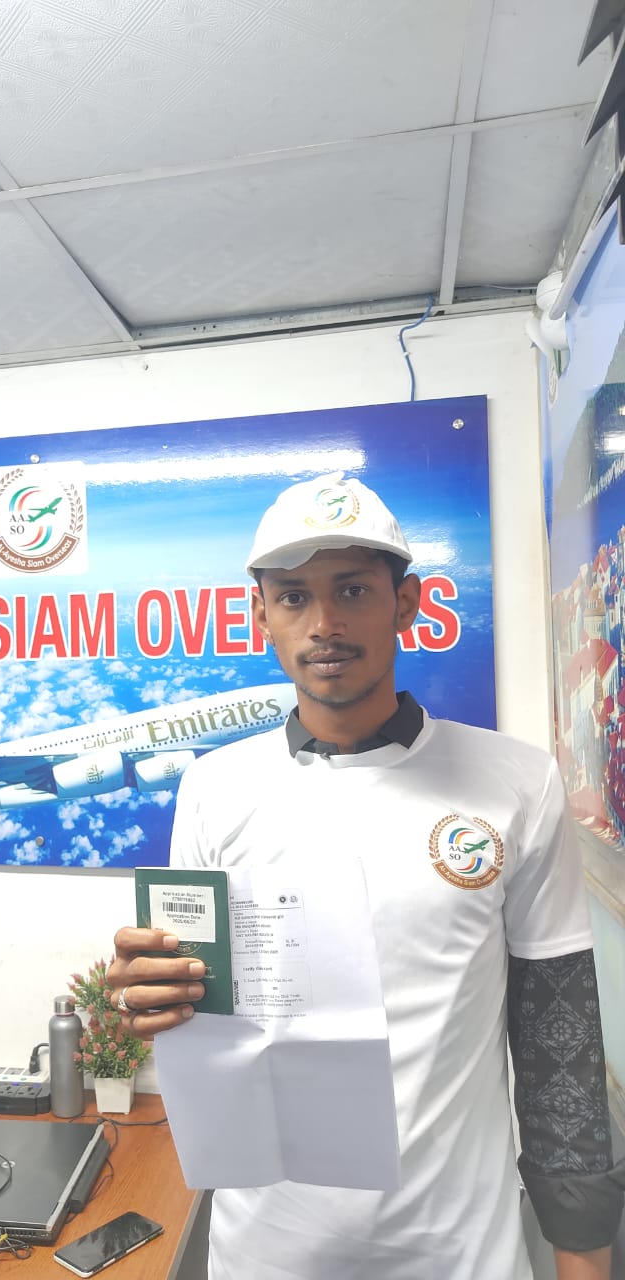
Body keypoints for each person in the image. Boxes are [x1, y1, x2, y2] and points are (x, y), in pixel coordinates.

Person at [107, 473, 625, 1280]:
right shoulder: (213, 788)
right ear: (261, 616)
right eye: (294, 597)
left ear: (405, 602)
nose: (325, 624)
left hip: (462, 1258)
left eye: (352, 589)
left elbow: (559, 1040)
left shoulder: (518, 783)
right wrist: (153, 997)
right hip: (264, 1257)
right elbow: (207, 1018)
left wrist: (583, 1256)